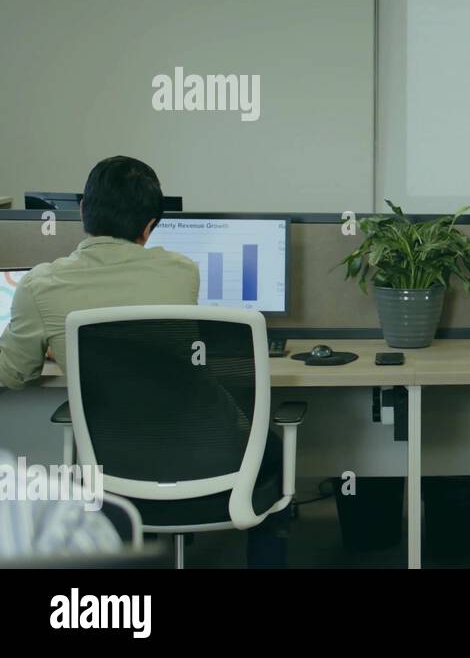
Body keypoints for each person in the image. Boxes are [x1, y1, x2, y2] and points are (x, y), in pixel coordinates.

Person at [0, 156, 289, 567]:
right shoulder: (181, 271)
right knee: (272, 451)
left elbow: (14, 372)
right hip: (209, 450)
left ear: (82, 211)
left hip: (114, 466)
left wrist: (58, 342)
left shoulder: (39, 285)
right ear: (150, 225)